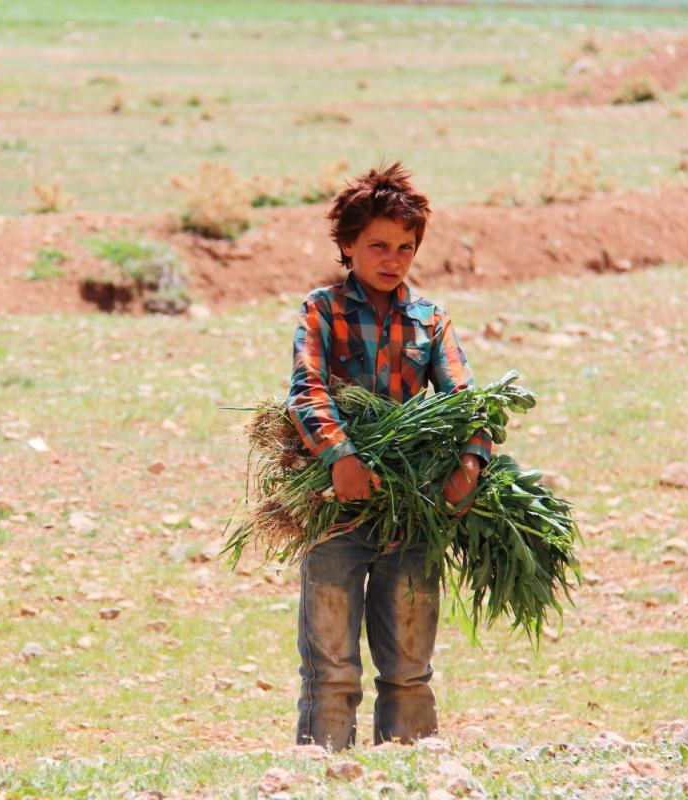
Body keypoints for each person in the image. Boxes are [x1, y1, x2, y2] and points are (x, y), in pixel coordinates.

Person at [286, 162, 491, 750]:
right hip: (335, 510)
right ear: (348, 245)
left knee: (408, 668)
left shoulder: (430, 319)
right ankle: (325, 776)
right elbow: (307, 390)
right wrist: (341, 458)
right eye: (378, 245)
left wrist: (469, 465)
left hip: (411, 510)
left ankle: (410, 773)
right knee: (330, 668)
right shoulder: (322, 310)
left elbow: (467, 401)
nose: (393, 259)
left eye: (405, 247)